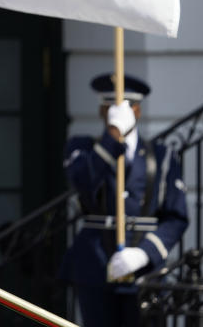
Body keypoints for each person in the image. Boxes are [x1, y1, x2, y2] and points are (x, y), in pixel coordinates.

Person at [60, 73, 188, 327]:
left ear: (137, 110)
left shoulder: (162, 156)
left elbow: (176, 217)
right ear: (100, 110)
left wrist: (144, 254)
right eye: (108, 106)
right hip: (95, 266)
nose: (113, 112)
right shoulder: (82, 148)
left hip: (144, 273)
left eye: (123, 106)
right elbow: (83, 182)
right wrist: (112, 137)